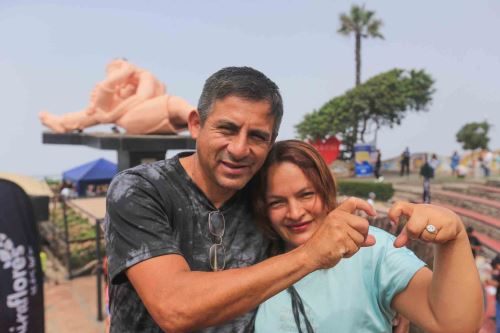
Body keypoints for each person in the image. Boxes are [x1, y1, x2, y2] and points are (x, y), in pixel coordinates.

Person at [105, 66, 391, 332]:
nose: (240, 149)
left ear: (271, 141)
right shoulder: (140, 189)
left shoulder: (263, 192)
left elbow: (310, 216)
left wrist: (386, 293)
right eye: (227, 129)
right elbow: (175, 307)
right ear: (196, 124)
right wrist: (310, 255)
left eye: (256, 136)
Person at [251, 140, 483, 333]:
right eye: (277, 202)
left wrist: (454, 238)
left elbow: (455, 325)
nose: (295, 212)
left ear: (326, 190)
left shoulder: (371, 247)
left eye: (306, 195)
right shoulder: (251, 257)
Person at [39, 59, 195, 134]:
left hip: (155, 112)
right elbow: (99, 110)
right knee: (97, 114)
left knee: (175, 103)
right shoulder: (126, 88)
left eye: (116, 73)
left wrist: (109, 115)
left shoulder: (145, 76)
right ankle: (62, 123)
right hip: (138, 119)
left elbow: (141, 99)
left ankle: (201, 118)